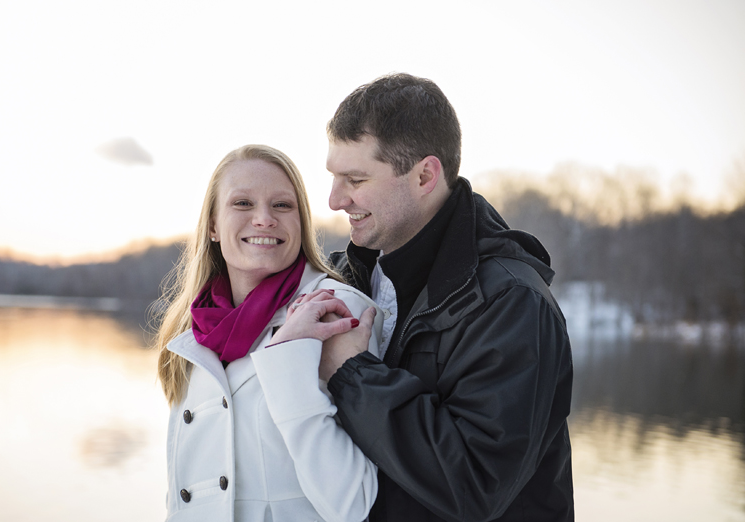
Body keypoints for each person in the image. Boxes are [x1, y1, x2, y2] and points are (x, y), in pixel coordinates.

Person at [318, 73, 575, 522]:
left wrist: (352, 375)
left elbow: (476, 483)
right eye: (334, 177)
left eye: (355, 179)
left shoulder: (511, 303)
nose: (335, 200)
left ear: (424, 175)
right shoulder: (346, 279)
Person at [155, 144, 384, 522]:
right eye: (242, 204)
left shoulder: (337, 311)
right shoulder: (190, 331)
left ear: (301, 222)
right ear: (212, 225)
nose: (263, 219)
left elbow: (355, 505)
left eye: (282, 205)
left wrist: (288, 358)